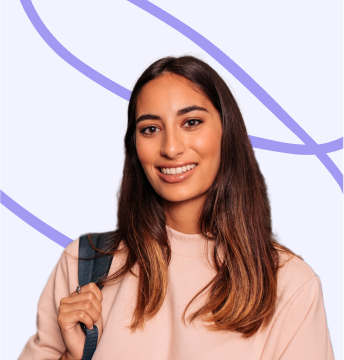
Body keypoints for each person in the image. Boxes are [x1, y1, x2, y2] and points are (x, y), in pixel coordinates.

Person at [18, 56, 334, 360]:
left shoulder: (290, 285)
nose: (170, 148)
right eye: (150, 129)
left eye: (191, 122)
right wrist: (73, 357)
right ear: (134, 146)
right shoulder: (83, 265)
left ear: (227, 132)